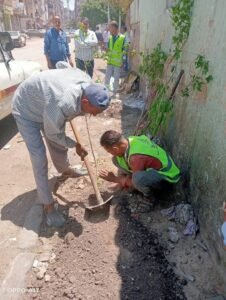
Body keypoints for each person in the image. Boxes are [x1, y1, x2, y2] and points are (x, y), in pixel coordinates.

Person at [12, 68, 111, 227]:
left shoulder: (88, 84)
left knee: (58, 142)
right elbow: (53, 134)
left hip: (45, 103)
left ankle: (66, 170)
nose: (96, 115)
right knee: (39, 157)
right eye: (96, 111)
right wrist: (75, 145)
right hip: (27, 109)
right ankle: (48, 206)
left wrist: (69, 142)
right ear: (85, 102)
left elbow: (62, 64)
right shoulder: (63, 103)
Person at [99, 131, 180, 203]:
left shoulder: (135, 158)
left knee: (138, 179)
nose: (110, 154)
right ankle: (128, 179)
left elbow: (134, 182)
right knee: (116, 159)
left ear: (115, 149)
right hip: (153, 165)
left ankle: (151, 197)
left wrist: (115, 179)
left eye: (109, 151)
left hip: (167, 176)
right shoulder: (130, 140)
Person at [104, 21, 126, 93]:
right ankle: (106, 91)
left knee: (116, 77)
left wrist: (123, 61)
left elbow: (125, 50)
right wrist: (106, 50)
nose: (109, 29)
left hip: (117, 62)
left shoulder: (122, 38)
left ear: (114, 28)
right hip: (110, 61)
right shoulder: (110, 37)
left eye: (110, 27)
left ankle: (115, 91)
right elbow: (110, 49)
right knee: (107, 77)